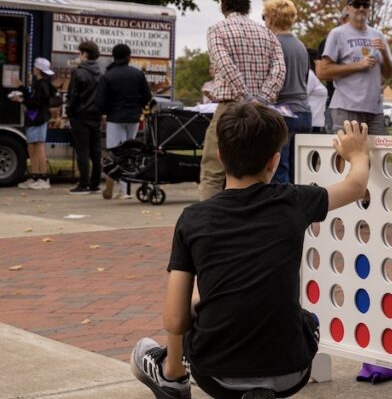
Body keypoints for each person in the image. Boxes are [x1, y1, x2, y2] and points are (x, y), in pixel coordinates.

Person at [129, 102, 371, 399]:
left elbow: (176, 318)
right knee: (306, 320)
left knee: (194, 299)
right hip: (291, 374)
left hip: (215, 376)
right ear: (274, 161)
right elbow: (355, 186)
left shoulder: (193, 219)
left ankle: (172, 375)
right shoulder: (294, 201)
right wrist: (358, 154)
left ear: (220, 157)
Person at [200, 0, 286, 200]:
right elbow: (279, 68)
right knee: (258, 169)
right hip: (262, 110)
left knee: (213, 169)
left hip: (230, 108)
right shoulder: (266, 33)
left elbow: (225, 65)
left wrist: (245, 96)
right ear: (248, 6)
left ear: (223, 6)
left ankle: (209, 217)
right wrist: (262, 97)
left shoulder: (217, 30)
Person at [317, 0, 392, 135]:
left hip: (375, 109)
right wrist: (358, 65)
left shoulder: (378, 35)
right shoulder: (337, 34)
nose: (361, 8)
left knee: (380, 149)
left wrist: (384, 54)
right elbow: (323, 71)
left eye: (365, 5)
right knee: (348, 149)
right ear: (348, 8)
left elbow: (388, 74)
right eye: (357, 5)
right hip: (346, 108)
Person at [263, 0, 312, 184]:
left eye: (264, 16)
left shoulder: (272, 44)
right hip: (304, 111)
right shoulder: (301, 46)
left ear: (271, 18)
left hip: (282, 112)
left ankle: (281, 203)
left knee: (278, 170)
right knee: (298, 171)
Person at [96, 43, 152, 199]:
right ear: (129, 57)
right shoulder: (138, 74)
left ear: (113, 57)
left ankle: (113, 187)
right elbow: (147, 96)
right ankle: (125, 190)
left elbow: (100, 100)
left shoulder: (107, 76)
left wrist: (105, 112)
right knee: (130, 151)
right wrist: (138, 106)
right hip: (133, 117)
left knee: (115, 152)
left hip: (114, 117)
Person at [11, 57, 55, 190]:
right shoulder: (40, 83)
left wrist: (21, 100)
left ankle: (43, 178)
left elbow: (36, 103)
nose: (33, 69)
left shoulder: (42, 84)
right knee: (31, 147)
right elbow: (33, 97)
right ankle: (35, 176)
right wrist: (22, 88)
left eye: (35, 67)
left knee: (39, 146)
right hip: (34, 118)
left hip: (38, 118)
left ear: (39, 69)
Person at [66, 40, 103, 195]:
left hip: (80, 116)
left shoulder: (79, 72)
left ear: (85, 54)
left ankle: (83, 184)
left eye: (80, 53)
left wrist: (69, 112)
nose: (79, 56)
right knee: (96, 151)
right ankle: (95, 183)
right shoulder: (101, 73)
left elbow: (73, 95)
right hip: (96, 116)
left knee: (82, 151)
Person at [306, 48, 328, 134]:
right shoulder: (310, 75)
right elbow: (304, 95)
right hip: (312, 121)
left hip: (316, 121)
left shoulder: (312, 76)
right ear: (315, 61)